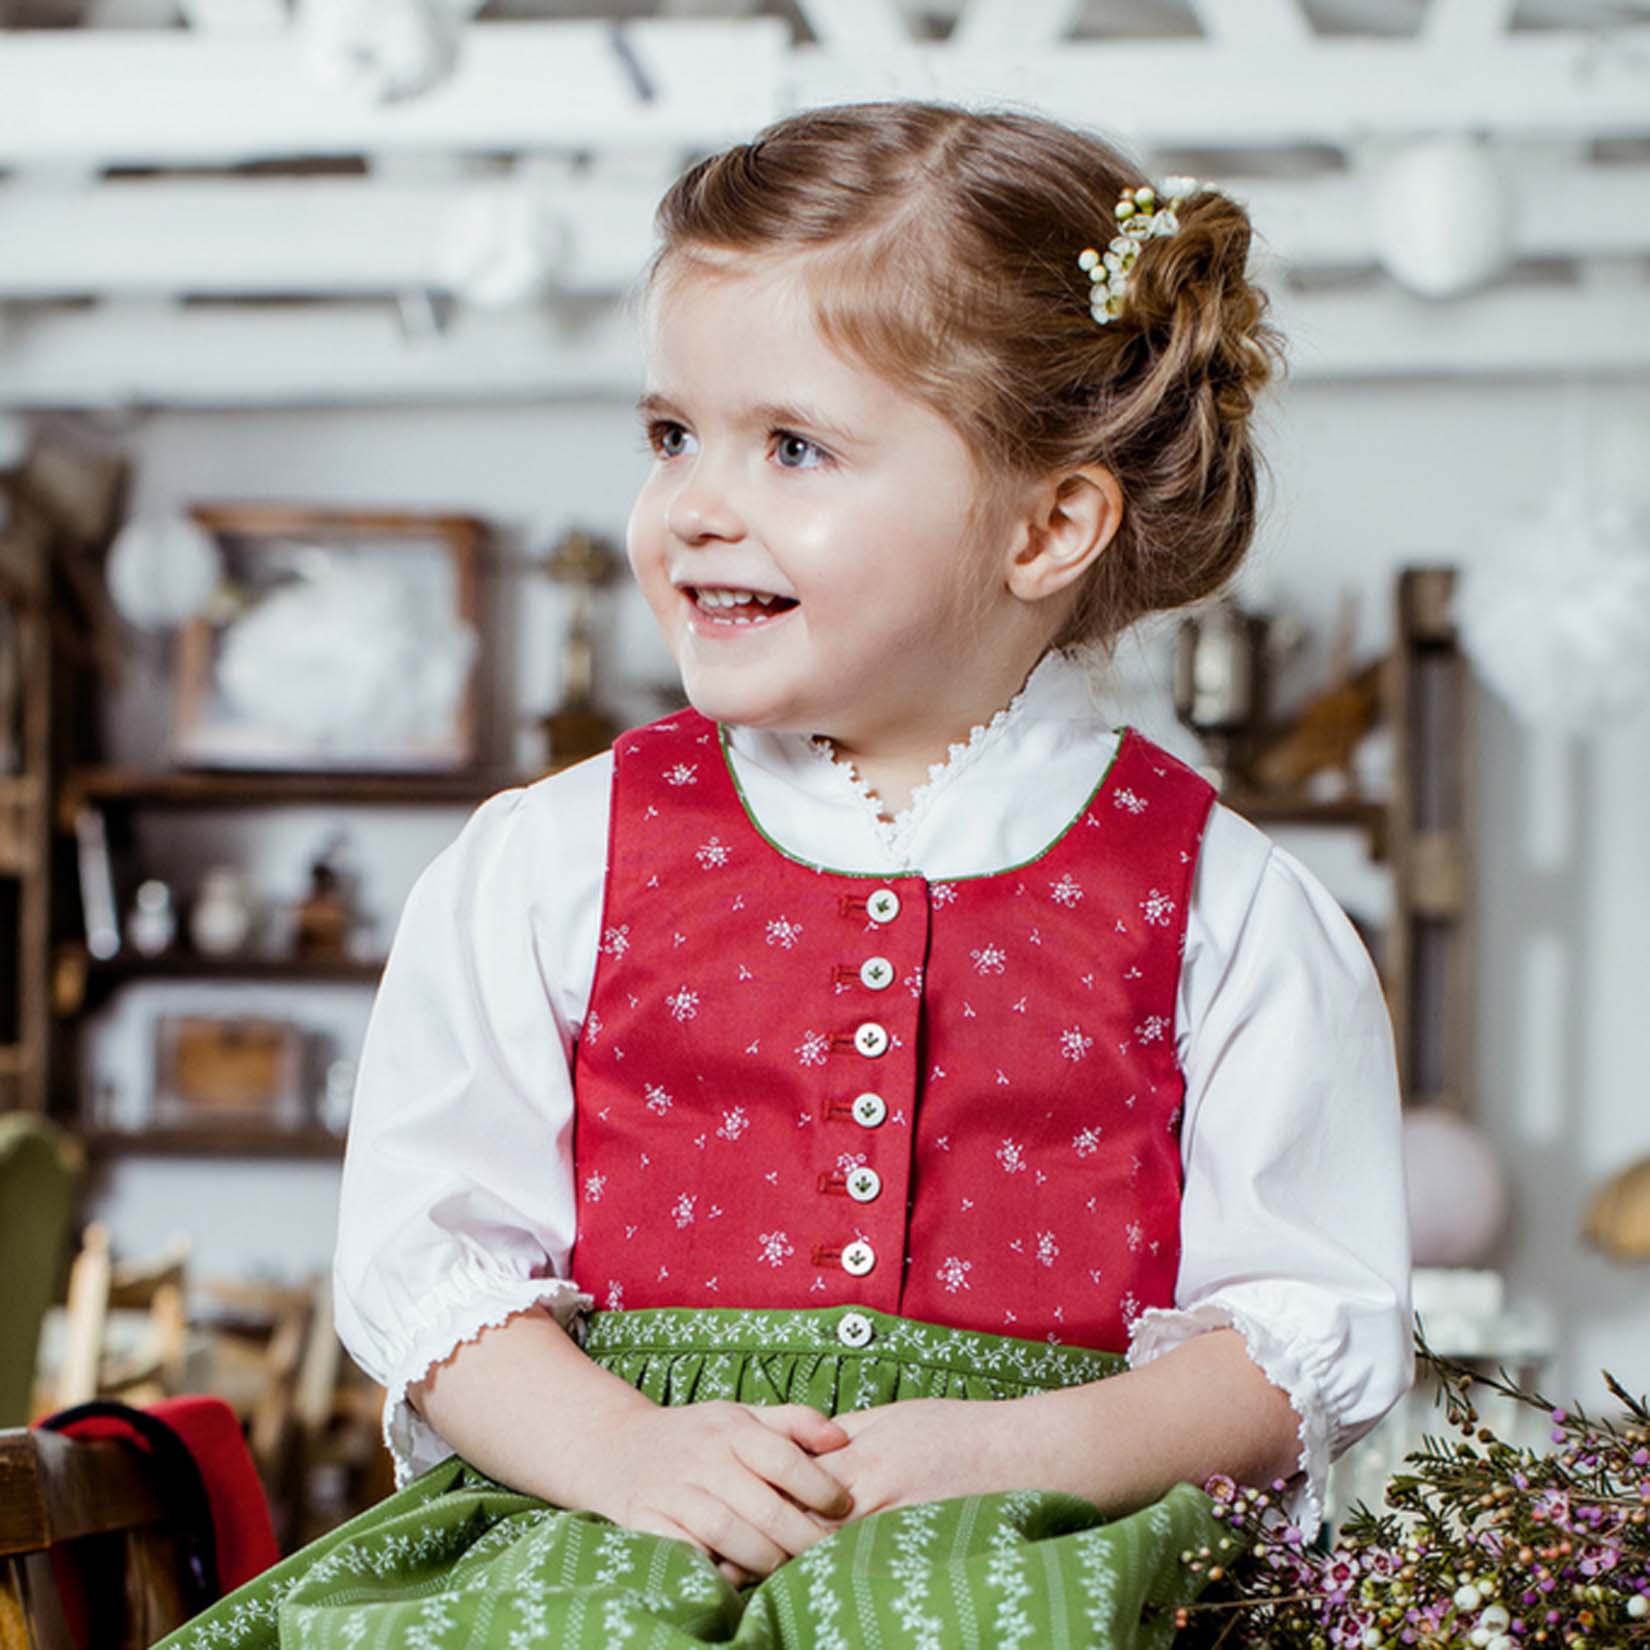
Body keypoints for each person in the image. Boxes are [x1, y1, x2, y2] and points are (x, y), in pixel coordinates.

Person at [158, 101, 1411, 1650]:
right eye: (672, 434)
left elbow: (1303, 1334)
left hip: (1026, 1548)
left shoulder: (1228, 909)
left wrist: (1019, 1451)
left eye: (794, 446)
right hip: (603, 1524)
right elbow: (432, 1269)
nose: (692, 504)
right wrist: (620, 1446)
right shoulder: (547, 862)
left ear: (1048, 525)